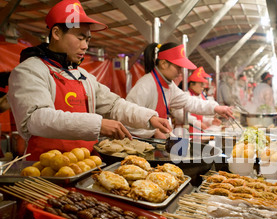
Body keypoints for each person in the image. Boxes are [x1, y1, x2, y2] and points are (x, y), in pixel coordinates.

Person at [7, 0, 171, 160]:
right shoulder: (30, 70)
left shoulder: (83, 76)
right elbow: (36, 119)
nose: (85, 46)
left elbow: (114, 105)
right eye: (80, 38)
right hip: (45, 171)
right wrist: (98, 125)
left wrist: (149, 118)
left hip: (87, 165)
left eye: (88, 39)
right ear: (56, 33)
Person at [126, 43, 233, 139]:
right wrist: (152, 133)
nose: (180, 72)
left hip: (155, 142)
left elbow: (189, 102)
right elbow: (127, 118)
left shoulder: (169, 85)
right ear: (163, 64)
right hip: (138, 143)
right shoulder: (145, 85)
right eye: (177, 67)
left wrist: (216, 108)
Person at [186, 68, 221, 132]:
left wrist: (210, 121)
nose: (203, 87)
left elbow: (201, 116)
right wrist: (197, 123)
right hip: (187, 131)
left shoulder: (199, 95)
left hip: (198, 132)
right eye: (201, 85)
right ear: (192, 84)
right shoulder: (185, 95)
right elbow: (180, 114)